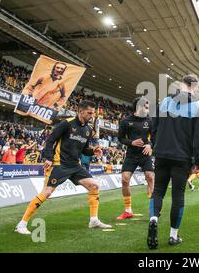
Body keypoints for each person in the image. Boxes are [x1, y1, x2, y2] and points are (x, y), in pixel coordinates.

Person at [14, 100, 112, 235]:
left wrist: (93, 152)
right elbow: (50, 140)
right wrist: (48, 157)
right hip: (59, 164)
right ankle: (21, 224)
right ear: (80, 111)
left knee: (94, 185)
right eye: (89, 113)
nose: (91, 116)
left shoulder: (88, 130)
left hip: (75, 166)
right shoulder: (67, 124)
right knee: (47, 192)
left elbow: (84, 150)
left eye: (93, 113)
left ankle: (93, 220)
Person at [147, 74, 199, 249]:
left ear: (180, 85)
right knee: (178, 196)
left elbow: (153, 127)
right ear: (194, 87)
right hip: (182, 157)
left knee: (158, 191)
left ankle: (153, 218)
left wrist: (157, 146)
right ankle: (173, 235)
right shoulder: (196, 107)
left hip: (162, 154)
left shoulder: (164, 103)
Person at [116, 96, 154, 220]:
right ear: (139, 106)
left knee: (150, 177)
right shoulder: (126, 121)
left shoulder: (151, 121)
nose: (148, 106)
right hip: (131, 155)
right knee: (125, 180)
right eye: (146, 104)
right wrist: (131, 142)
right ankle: (128, 210)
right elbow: (120, 138)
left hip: (145, 154)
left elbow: (155, 138)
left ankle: (153, 209)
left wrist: (150, 145)